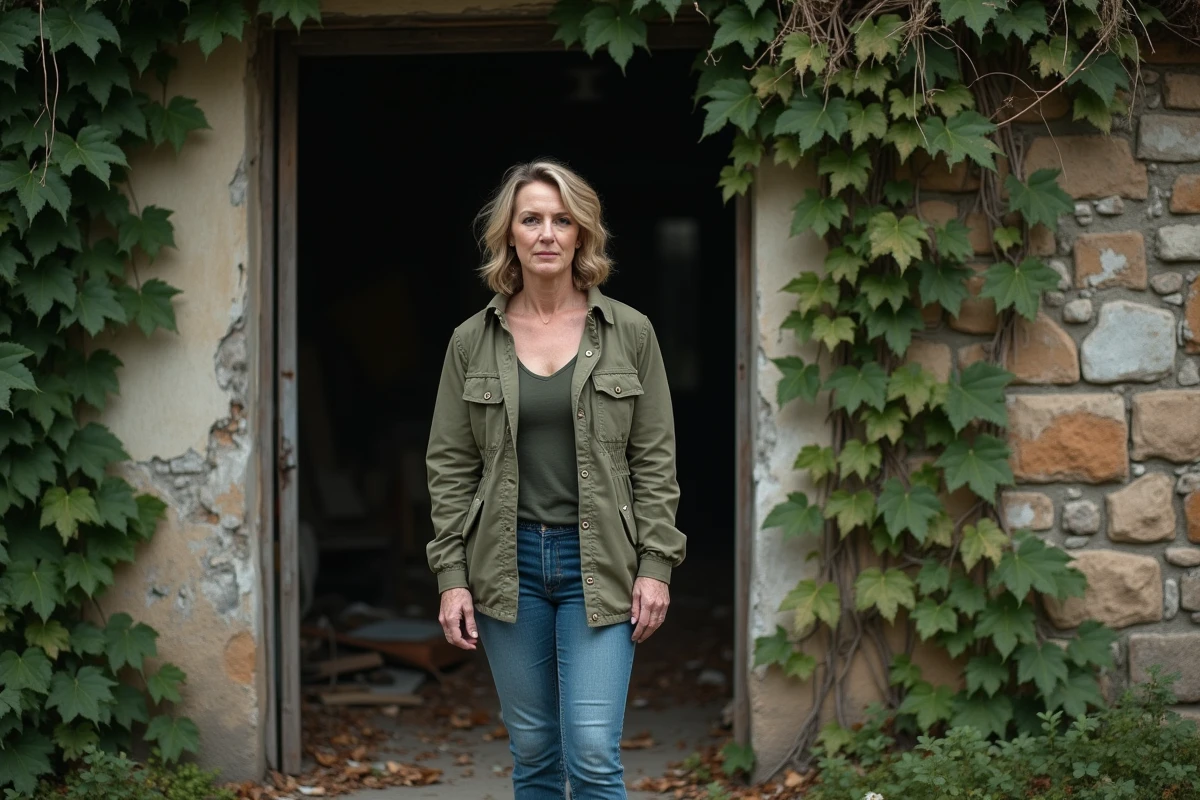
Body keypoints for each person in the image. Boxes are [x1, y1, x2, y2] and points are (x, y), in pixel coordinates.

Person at [425, 159, 686, 799]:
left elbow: (655, 459)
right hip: (505, 562)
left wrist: (656, 564)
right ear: (509, 235)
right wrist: (452, 578)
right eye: (531, 219)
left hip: (601, 559)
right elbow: (450, 467)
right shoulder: (471, 341)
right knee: (536, 753)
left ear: (581, 235)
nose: (547, 233)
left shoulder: (630, 333)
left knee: (592, 751)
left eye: (562, 220)